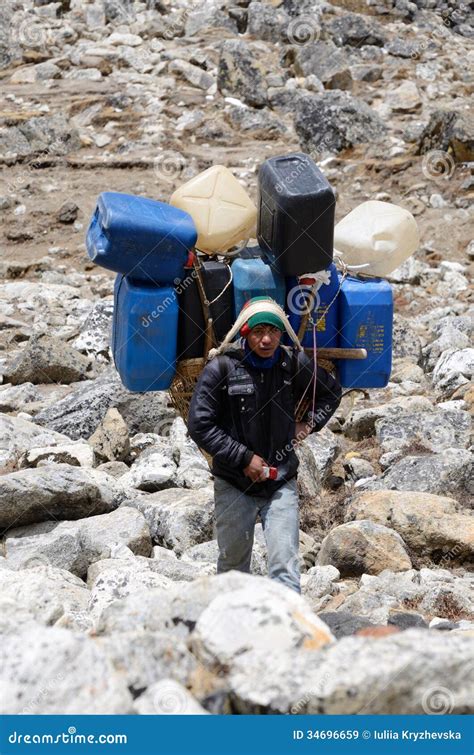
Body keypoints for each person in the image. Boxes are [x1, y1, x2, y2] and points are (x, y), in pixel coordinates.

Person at [187, 296, 341, 593]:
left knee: (285, 564)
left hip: (281, 479)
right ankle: (230, 630)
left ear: (283, 333)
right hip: (233, 482)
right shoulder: (221, 369)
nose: (267, 339)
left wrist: (308, 424)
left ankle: (290, 632)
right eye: (258, 331)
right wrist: (244, 459)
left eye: (273, 331)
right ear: (245, 332)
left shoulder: (292, 363)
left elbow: (331, 393)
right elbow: (200, 425)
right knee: (233, 565)